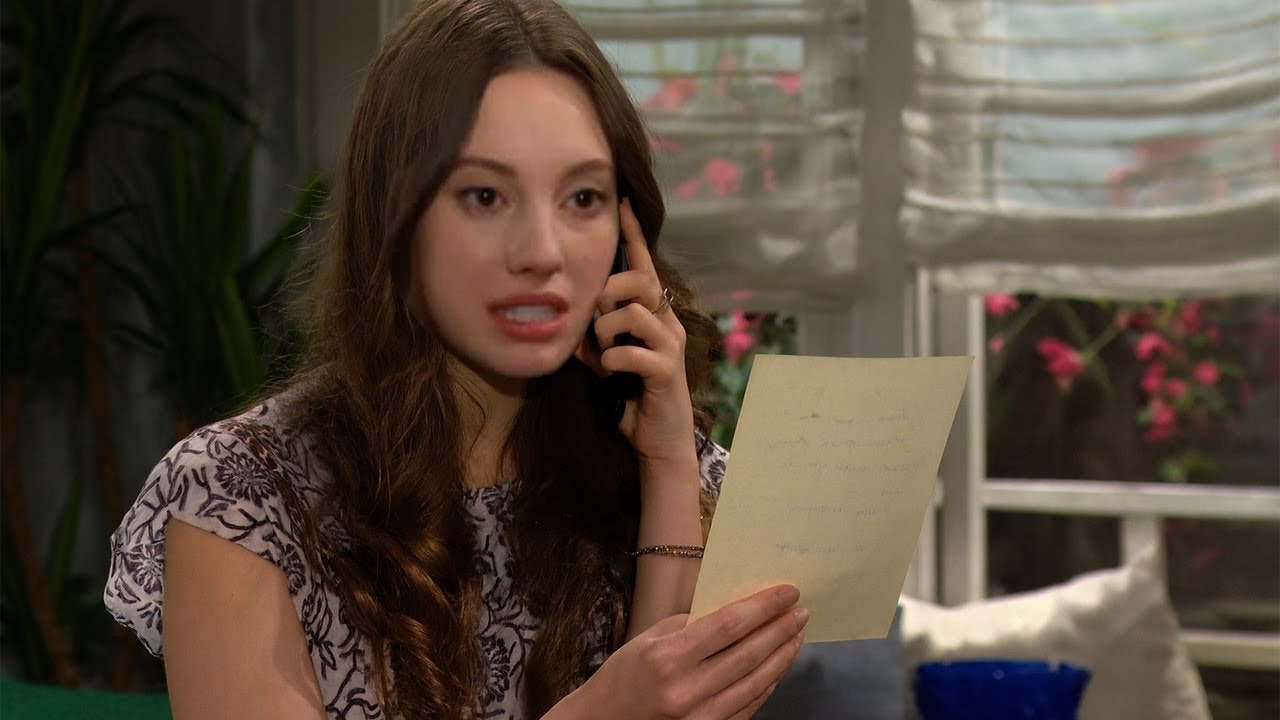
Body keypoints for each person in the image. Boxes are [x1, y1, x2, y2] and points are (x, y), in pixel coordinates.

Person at [104, 1, 808, 717]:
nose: (542, 252)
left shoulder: (676, 467)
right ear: (395, 216)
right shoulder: (237, 496)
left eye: (582, 197)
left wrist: (666, 467)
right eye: (485, 196)